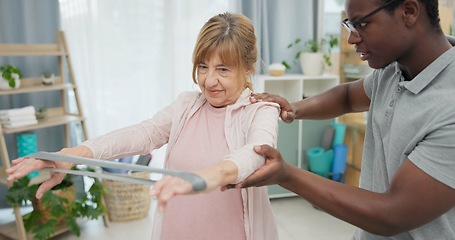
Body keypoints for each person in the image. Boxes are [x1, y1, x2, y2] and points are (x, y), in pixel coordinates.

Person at [7, 12, 280, 240]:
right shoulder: (187, 105)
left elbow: (252, 157)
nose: (209, 81)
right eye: (203, 67)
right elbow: (142, 133)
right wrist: (72, 155)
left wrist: (202, 179)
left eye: (223, 69)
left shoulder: (261, 112)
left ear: (247, 69)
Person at [235, 0, 455, 239]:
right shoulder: (393, 71)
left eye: (362, 24)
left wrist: (286, 175)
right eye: (350, 25)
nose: (352, 38)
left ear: (408, 12)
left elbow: (392, 214)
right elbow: (348, 96)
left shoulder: (449, 106)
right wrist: (294, 108)